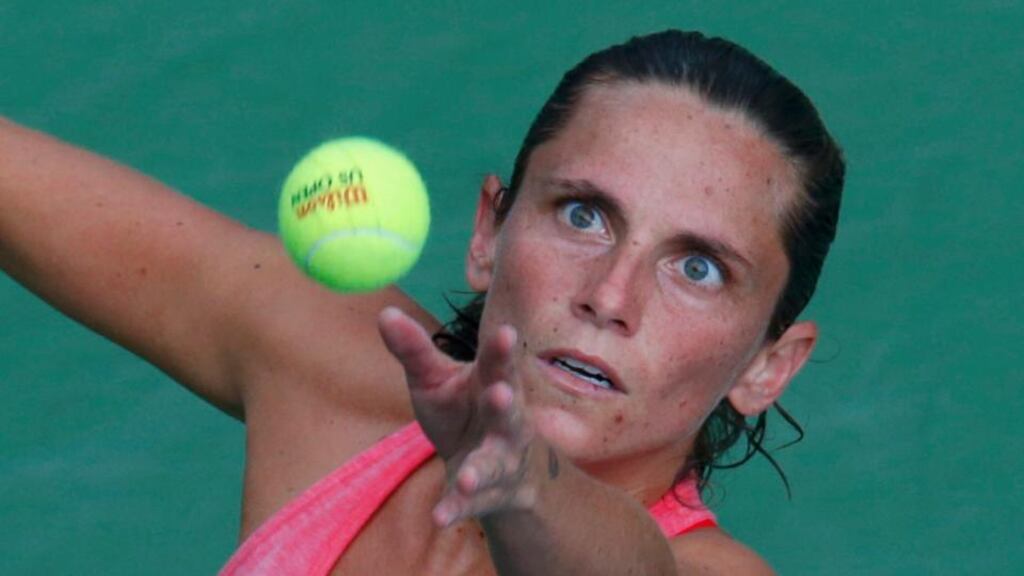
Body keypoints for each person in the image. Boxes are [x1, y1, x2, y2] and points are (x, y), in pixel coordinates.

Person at [0, 29, 844, 575]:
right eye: (583, 215)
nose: (610, 296)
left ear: (770, 366)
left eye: (697, 268)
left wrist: (521, 481)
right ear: (490, 230)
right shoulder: (327, 359)